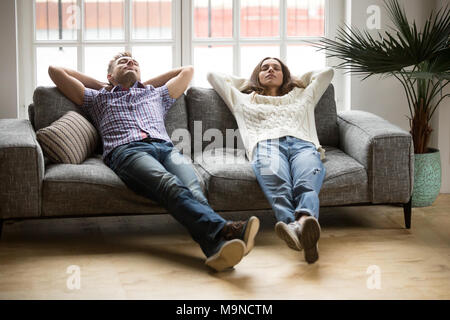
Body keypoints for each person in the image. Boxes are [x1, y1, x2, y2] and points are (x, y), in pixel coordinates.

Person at [48, 52, 260, 272]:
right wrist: (106, 84)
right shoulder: (97, 98)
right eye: (123, 63)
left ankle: (216, 247)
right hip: (127, 151)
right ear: (110, 75)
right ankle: (229, 229)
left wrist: (140, 82)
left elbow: (187, 70)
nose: (130, 63)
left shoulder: (156, 94)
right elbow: (55, 70)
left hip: (166, 149)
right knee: (168, 184)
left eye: (135, 63)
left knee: (194, 189)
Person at [207, 57, 334, 264]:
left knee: (306, 182)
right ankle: (301, 229)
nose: (270, 70)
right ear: (256, 75)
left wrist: (292, 81)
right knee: (278, 184)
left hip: (303, 144)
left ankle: (302, 224)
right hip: (266, 145)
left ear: (285, 74)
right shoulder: (242, 99)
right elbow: (213, 76)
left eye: (276, 68)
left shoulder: (303, 95)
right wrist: (249, 83)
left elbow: (327, 72)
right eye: (264, 68)